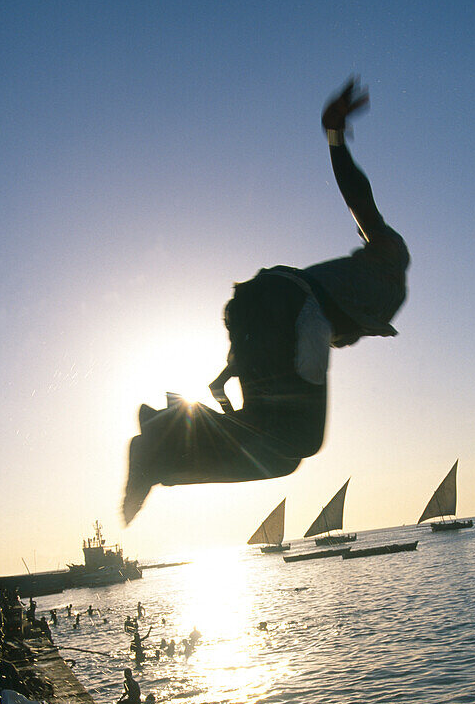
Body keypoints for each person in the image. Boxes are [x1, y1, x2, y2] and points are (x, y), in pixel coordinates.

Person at [123, 78, 410, 523]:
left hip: (250, 307)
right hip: (288, 302)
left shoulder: (328, 301)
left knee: (273, 450)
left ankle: (159, 441)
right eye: (354, 337)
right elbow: (361, 201)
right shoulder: (390, 266)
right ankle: (158, 448)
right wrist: (334, 138)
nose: (349, 342)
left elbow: (237, 368)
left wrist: (224, 393)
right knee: (302, 442)